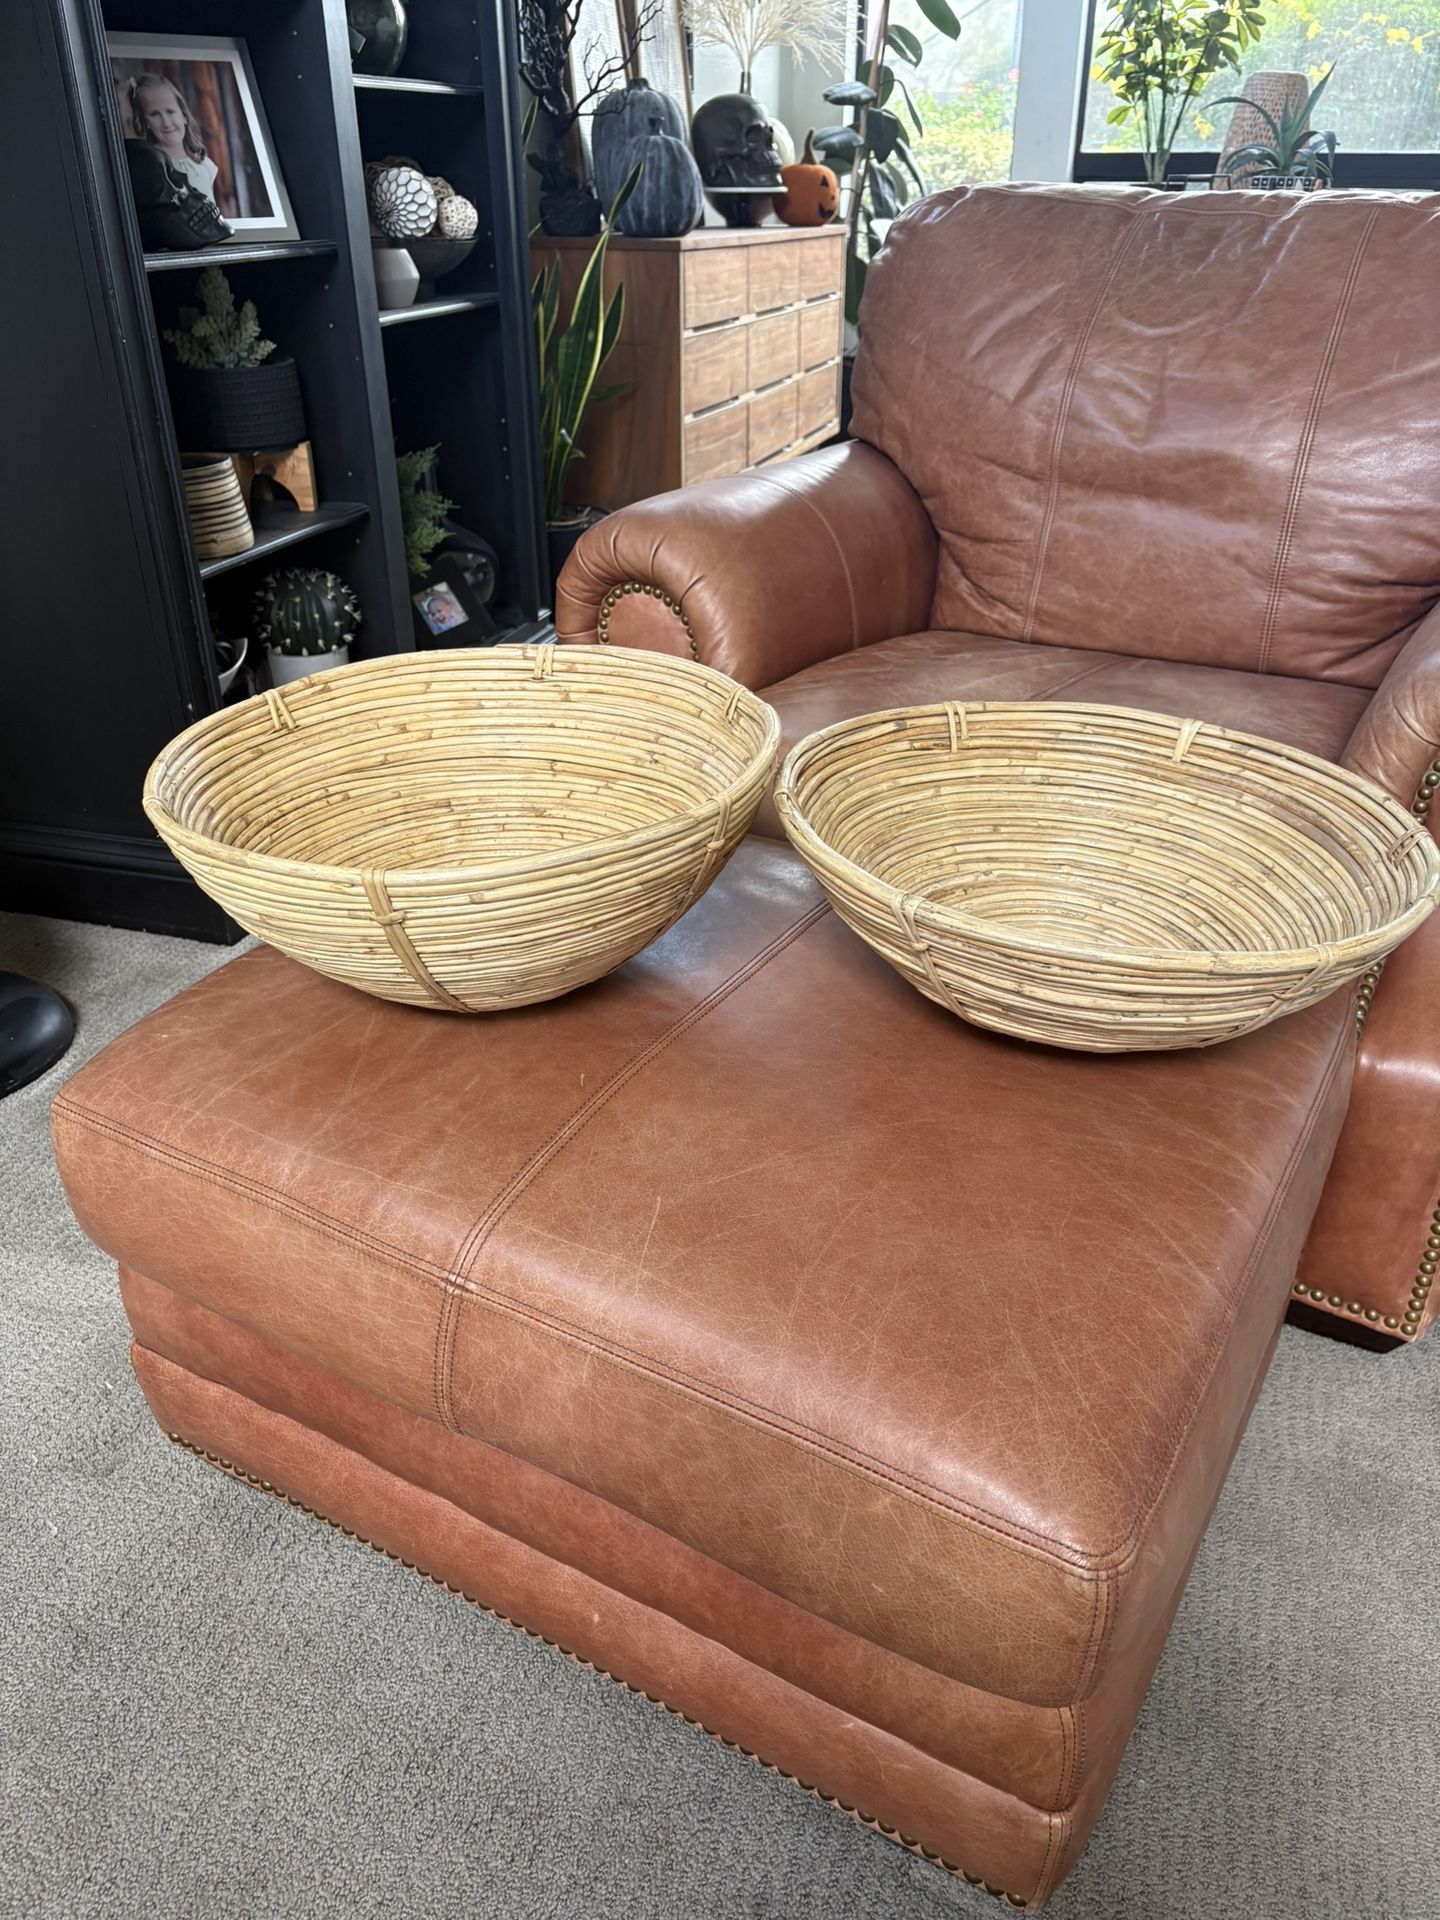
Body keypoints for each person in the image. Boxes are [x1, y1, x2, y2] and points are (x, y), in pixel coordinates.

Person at [128, 72, 219, 208]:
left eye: (170, 112)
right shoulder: (153, 167)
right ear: (146, 122)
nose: (166, 122)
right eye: (154, 114)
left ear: (184, 116)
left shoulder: (204, 165)